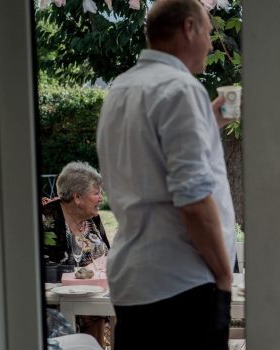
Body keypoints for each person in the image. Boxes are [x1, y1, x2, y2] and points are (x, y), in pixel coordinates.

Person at [96, 1, 236, 348]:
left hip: (133, 281)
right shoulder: (180, 89)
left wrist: (207, 119)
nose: (210, 43)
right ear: (189, 28)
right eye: (207, 32)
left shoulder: (121, 89)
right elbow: (192, 199)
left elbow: (146, 158)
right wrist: (223, 275)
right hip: (182, 283)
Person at [41, 161, 109, 345]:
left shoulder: (93, 220)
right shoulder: (45, 218)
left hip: (93, 298)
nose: (101, 198)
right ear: (77, 197)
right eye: (96, 193)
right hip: (55, 301)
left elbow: (107, 254)